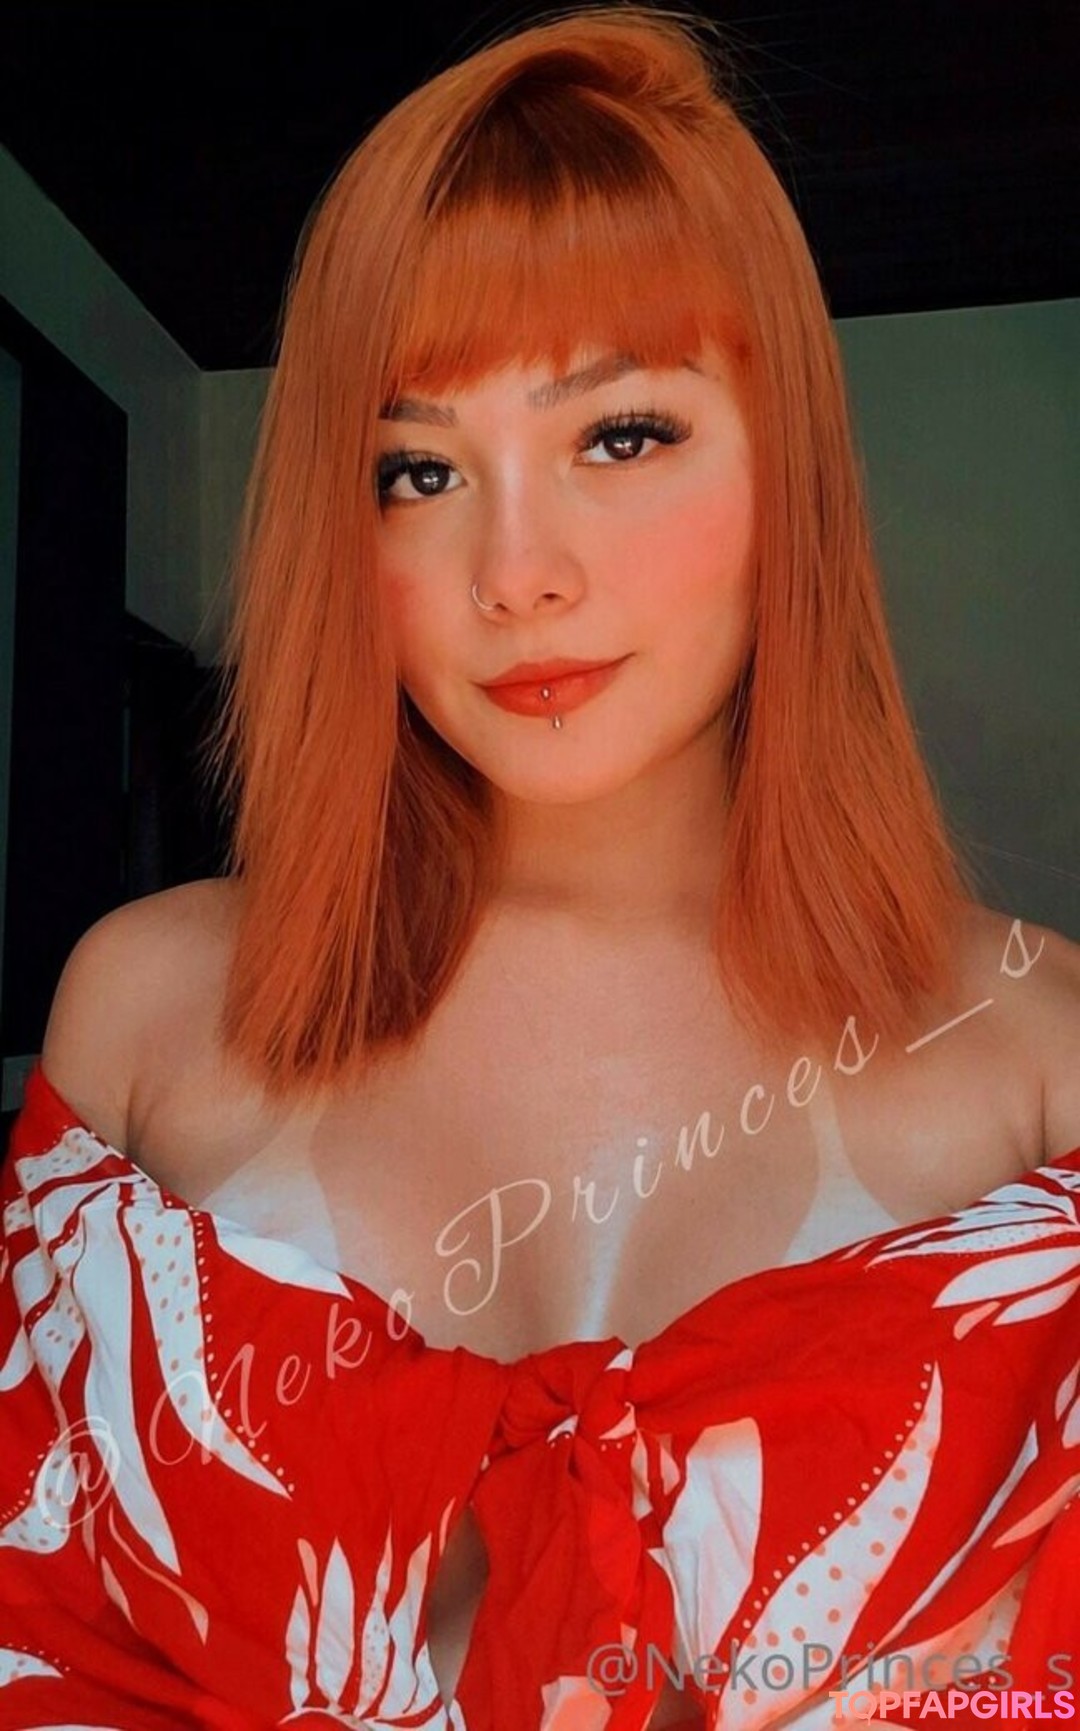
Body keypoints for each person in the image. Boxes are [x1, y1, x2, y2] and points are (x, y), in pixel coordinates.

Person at [1, 7, 1078, 1729]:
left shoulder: (1042, 1062)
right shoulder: (147, 1012)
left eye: (621, 435)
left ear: (787, 464)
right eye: (419, 469)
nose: (515, 572)